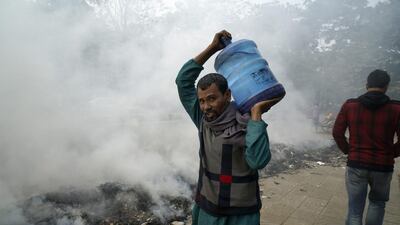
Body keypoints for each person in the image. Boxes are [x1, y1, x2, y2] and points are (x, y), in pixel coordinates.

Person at [176, 30, 277, 225]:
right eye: (202, 101)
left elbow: (258, 161)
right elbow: (183, 81)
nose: (206, 106)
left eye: (212, 99)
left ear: (227, 95)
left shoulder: (246, 120)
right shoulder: (203, 119)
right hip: (207, 209)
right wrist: (212, 48)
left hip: (241, 214)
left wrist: (256, 114)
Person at [332, 69, 400, 225]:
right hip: (383, 166)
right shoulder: (396, 109)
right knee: (377, 204)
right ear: (386, 86)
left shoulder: (351, 105)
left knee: (355, 210)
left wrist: (349, 151)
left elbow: (337, 133)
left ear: (366, 84)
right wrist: (391, 153)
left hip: (356, 164)